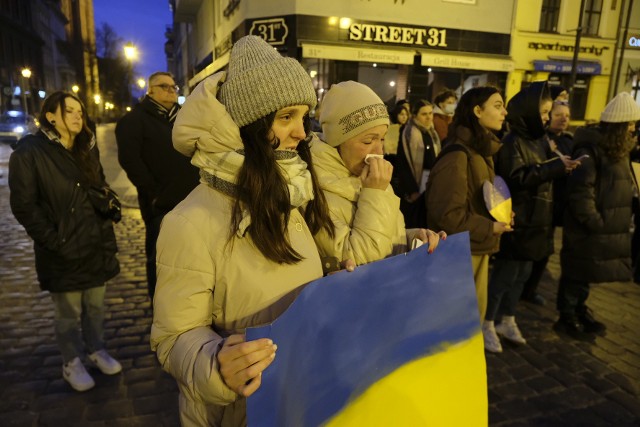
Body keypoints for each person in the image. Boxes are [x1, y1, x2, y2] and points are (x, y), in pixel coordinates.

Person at [150, 35, 337, 426]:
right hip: (241, 412)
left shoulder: (289, 195)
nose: (302, 133)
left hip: (300, 398)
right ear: (246, 126)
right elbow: (173, 338)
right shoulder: (189, 222)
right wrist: (216, 365)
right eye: (286, 117)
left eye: (304, 117)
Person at [9, 91, 122, 392]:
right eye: (69, 110)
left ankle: (96, 350)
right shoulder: (29, 151)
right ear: (50, 116)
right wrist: (53, 240)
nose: (77, 116)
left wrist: (109, 201)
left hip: (95, 241)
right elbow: (24, 205)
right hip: (62, 247)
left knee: (95, 307)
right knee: (68, 313)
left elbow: (98, 184)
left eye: (80, 112)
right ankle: (71, 361)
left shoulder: (86, 146)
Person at [483, 81, 580, 353]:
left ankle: (507, 317)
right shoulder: (512, 142)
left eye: (549, 112)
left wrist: (562, 165)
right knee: (504, 276)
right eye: (544, 112)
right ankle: (487, 321)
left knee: (523, 275)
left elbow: (543, 170)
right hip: (519, 221)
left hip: (538, 221)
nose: (547, 118)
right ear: (528, 112)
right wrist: (553, 168)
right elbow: (516, 178)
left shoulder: (539, 141)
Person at [310, 80, 442, 267]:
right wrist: (374, 193)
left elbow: (383, 234)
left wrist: (412, 238)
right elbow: (362, 261)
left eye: (381, 139)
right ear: (336, 141)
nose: (379, 151)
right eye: (367, 141)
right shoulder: (312, 188)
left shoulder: (368, 176)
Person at [425, 86, 512, 326]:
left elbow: (476, 199)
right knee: (457, 327)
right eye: (497, 105)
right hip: (460, 255)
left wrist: (500, 214)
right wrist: (489, 227)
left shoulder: (480, 152)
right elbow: (447, 215)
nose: (504, 112)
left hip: (475, 247)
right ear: (477, 110)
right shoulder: (459, 155)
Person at [556, 92, 640, 337]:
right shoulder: (591, 150)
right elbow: (581, 192)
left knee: (588, 272)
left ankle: (580, 310)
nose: (633, 130)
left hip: (601, 225)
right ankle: (567, 315)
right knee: (576, 272)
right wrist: (595, 221)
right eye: (631, 125)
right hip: (589, 227)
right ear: (618, 126)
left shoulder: (617, 150)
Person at [115, 71, 199, 299]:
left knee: (193, 256)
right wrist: (153, 192)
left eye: (174, 87)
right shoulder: (134, 121)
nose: (171, 90)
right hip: (160, 203)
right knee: (160, 257)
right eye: (165, 86)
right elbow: (130, 160)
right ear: (150, 90)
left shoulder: (184, 117)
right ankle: (160, 305)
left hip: (193, 200)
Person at [521, 99, 574, 306]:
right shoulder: (539, 140)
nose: (563, 119)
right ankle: (522, 289)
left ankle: (531, 289)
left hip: (557, 204)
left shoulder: (570, 141)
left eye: (567, 116)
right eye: (558, 114)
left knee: (545, 250)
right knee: (530, 250)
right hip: (538, 203)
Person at [392, 99, 441, 228]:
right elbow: (403, 164)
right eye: (424, 114)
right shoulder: (408, 133)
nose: (429, 117)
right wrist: (412, 190)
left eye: (430, 113)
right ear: (415, 116)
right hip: (415, 188)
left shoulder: (431, 132)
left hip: (428, 184)